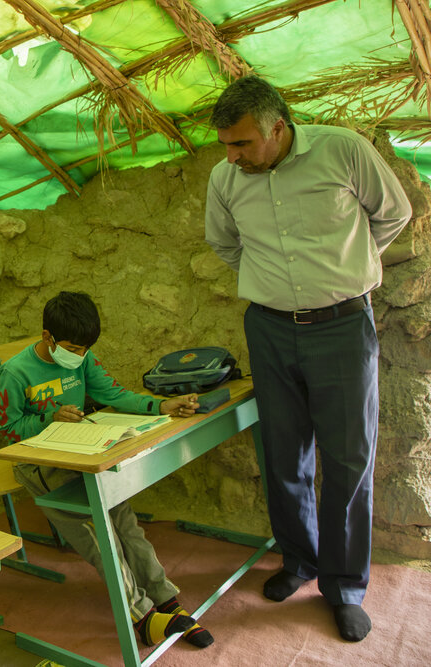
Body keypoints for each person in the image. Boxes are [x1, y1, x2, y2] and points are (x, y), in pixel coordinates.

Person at [204, 76, 412, 642]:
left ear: (278, 127)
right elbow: (225, 244)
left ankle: (344, 586)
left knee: (348, 460)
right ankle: (298, 560)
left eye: (242, 144)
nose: (231, 157)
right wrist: (273, 282)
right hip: (269, 329)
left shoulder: (342, 149)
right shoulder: (226, 179)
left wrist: (350, 268)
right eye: (225, 145)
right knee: (282, 453)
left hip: (344, 326)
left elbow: (393, 213)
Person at [0, 291, 212, 649]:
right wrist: (49, 419)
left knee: (125, 522)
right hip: (41, 467)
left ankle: (165, 599)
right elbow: (7, 432)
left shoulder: (82, 359)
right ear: (47, 336)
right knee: (100, 535)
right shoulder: (16, 372)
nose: (80, 356)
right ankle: (141, 617)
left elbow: (116, 394)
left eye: (85, 349)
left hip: (83, 455)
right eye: (73, 348)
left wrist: (161, 405)